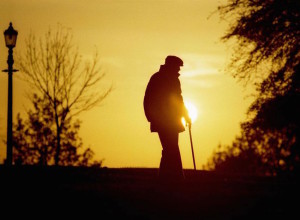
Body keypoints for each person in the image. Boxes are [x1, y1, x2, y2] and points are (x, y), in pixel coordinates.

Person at [144, 55, 191, 182]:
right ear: (170, 66)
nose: (179, 70)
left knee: (170, 149)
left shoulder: (173, 80)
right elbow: (148, 99)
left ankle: (166, 178)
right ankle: (177, 178)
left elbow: (178, 100)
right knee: (171, 148)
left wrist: (185, 115)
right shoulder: (157, 78)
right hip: (162, 120)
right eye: (177, 67)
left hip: (172, 120)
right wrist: (152, 117)